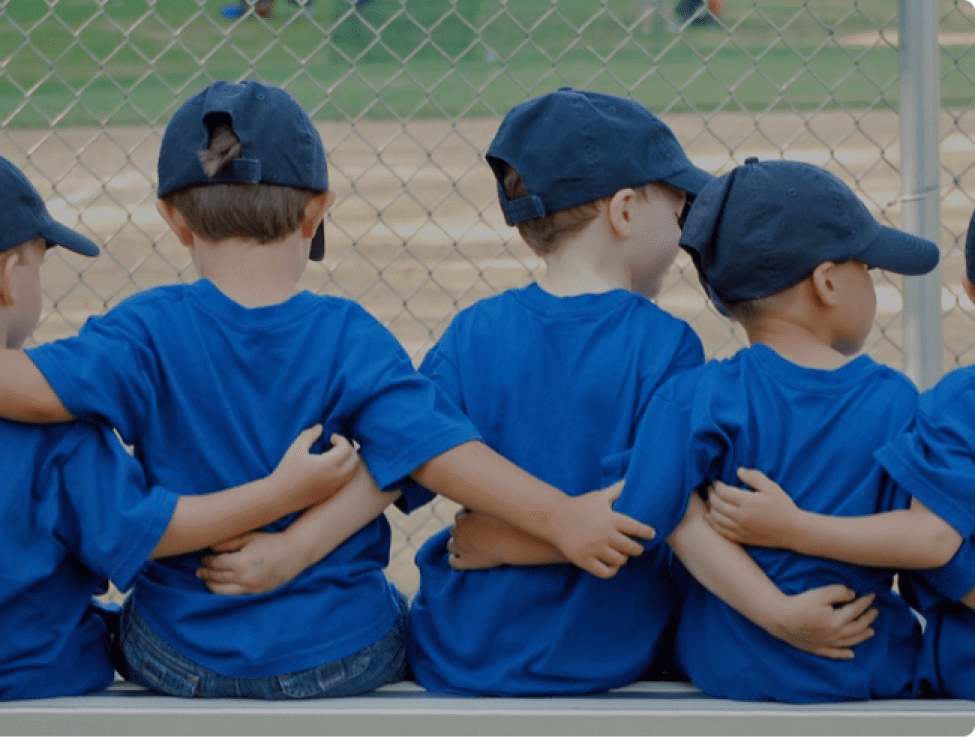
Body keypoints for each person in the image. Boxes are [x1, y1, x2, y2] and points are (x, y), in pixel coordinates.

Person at [0, 81, 653, 699]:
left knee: (138, 615)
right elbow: (432, 448)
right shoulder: (350, 337)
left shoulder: (142, 330)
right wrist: (557, 517)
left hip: (179, 654)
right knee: (390, 611)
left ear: (173, 218)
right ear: (318, 208)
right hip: (339, 652)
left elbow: (28, 391)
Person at [401, 90, 883, 696]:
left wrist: (510, 539)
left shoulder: (474, 330)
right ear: (625, 211)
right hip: (605, 654)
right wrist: (556, 528)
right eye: (678, 211)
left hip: (460, 649)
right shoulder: (664, 344)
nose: (684, 239)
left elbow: (417, 453)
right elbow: (656, 507)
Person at [0, 155, 361, 700]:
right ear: (8, 276)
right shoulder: (56, 433)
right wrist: (278, 494)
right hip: (36, 677)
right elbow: (144, 532)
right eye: (37, 264)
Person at [611, 157, 942, 702]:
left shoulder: (696, 397)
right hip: (862, 666)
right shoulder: (895, 402)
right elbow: (922, 541)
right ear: (829, 283)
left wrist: (776, 607)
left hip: (727, 667)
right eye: (869, 268)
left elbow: (666, 517)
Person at [704, 208, 975, 699]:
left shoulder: (951, 406)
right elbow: (933, 542)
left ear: (969, 289)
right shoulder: (931, 405)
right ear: (826, 284)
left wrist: (792, 528)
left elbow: (935, 544)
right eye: (868, 270)